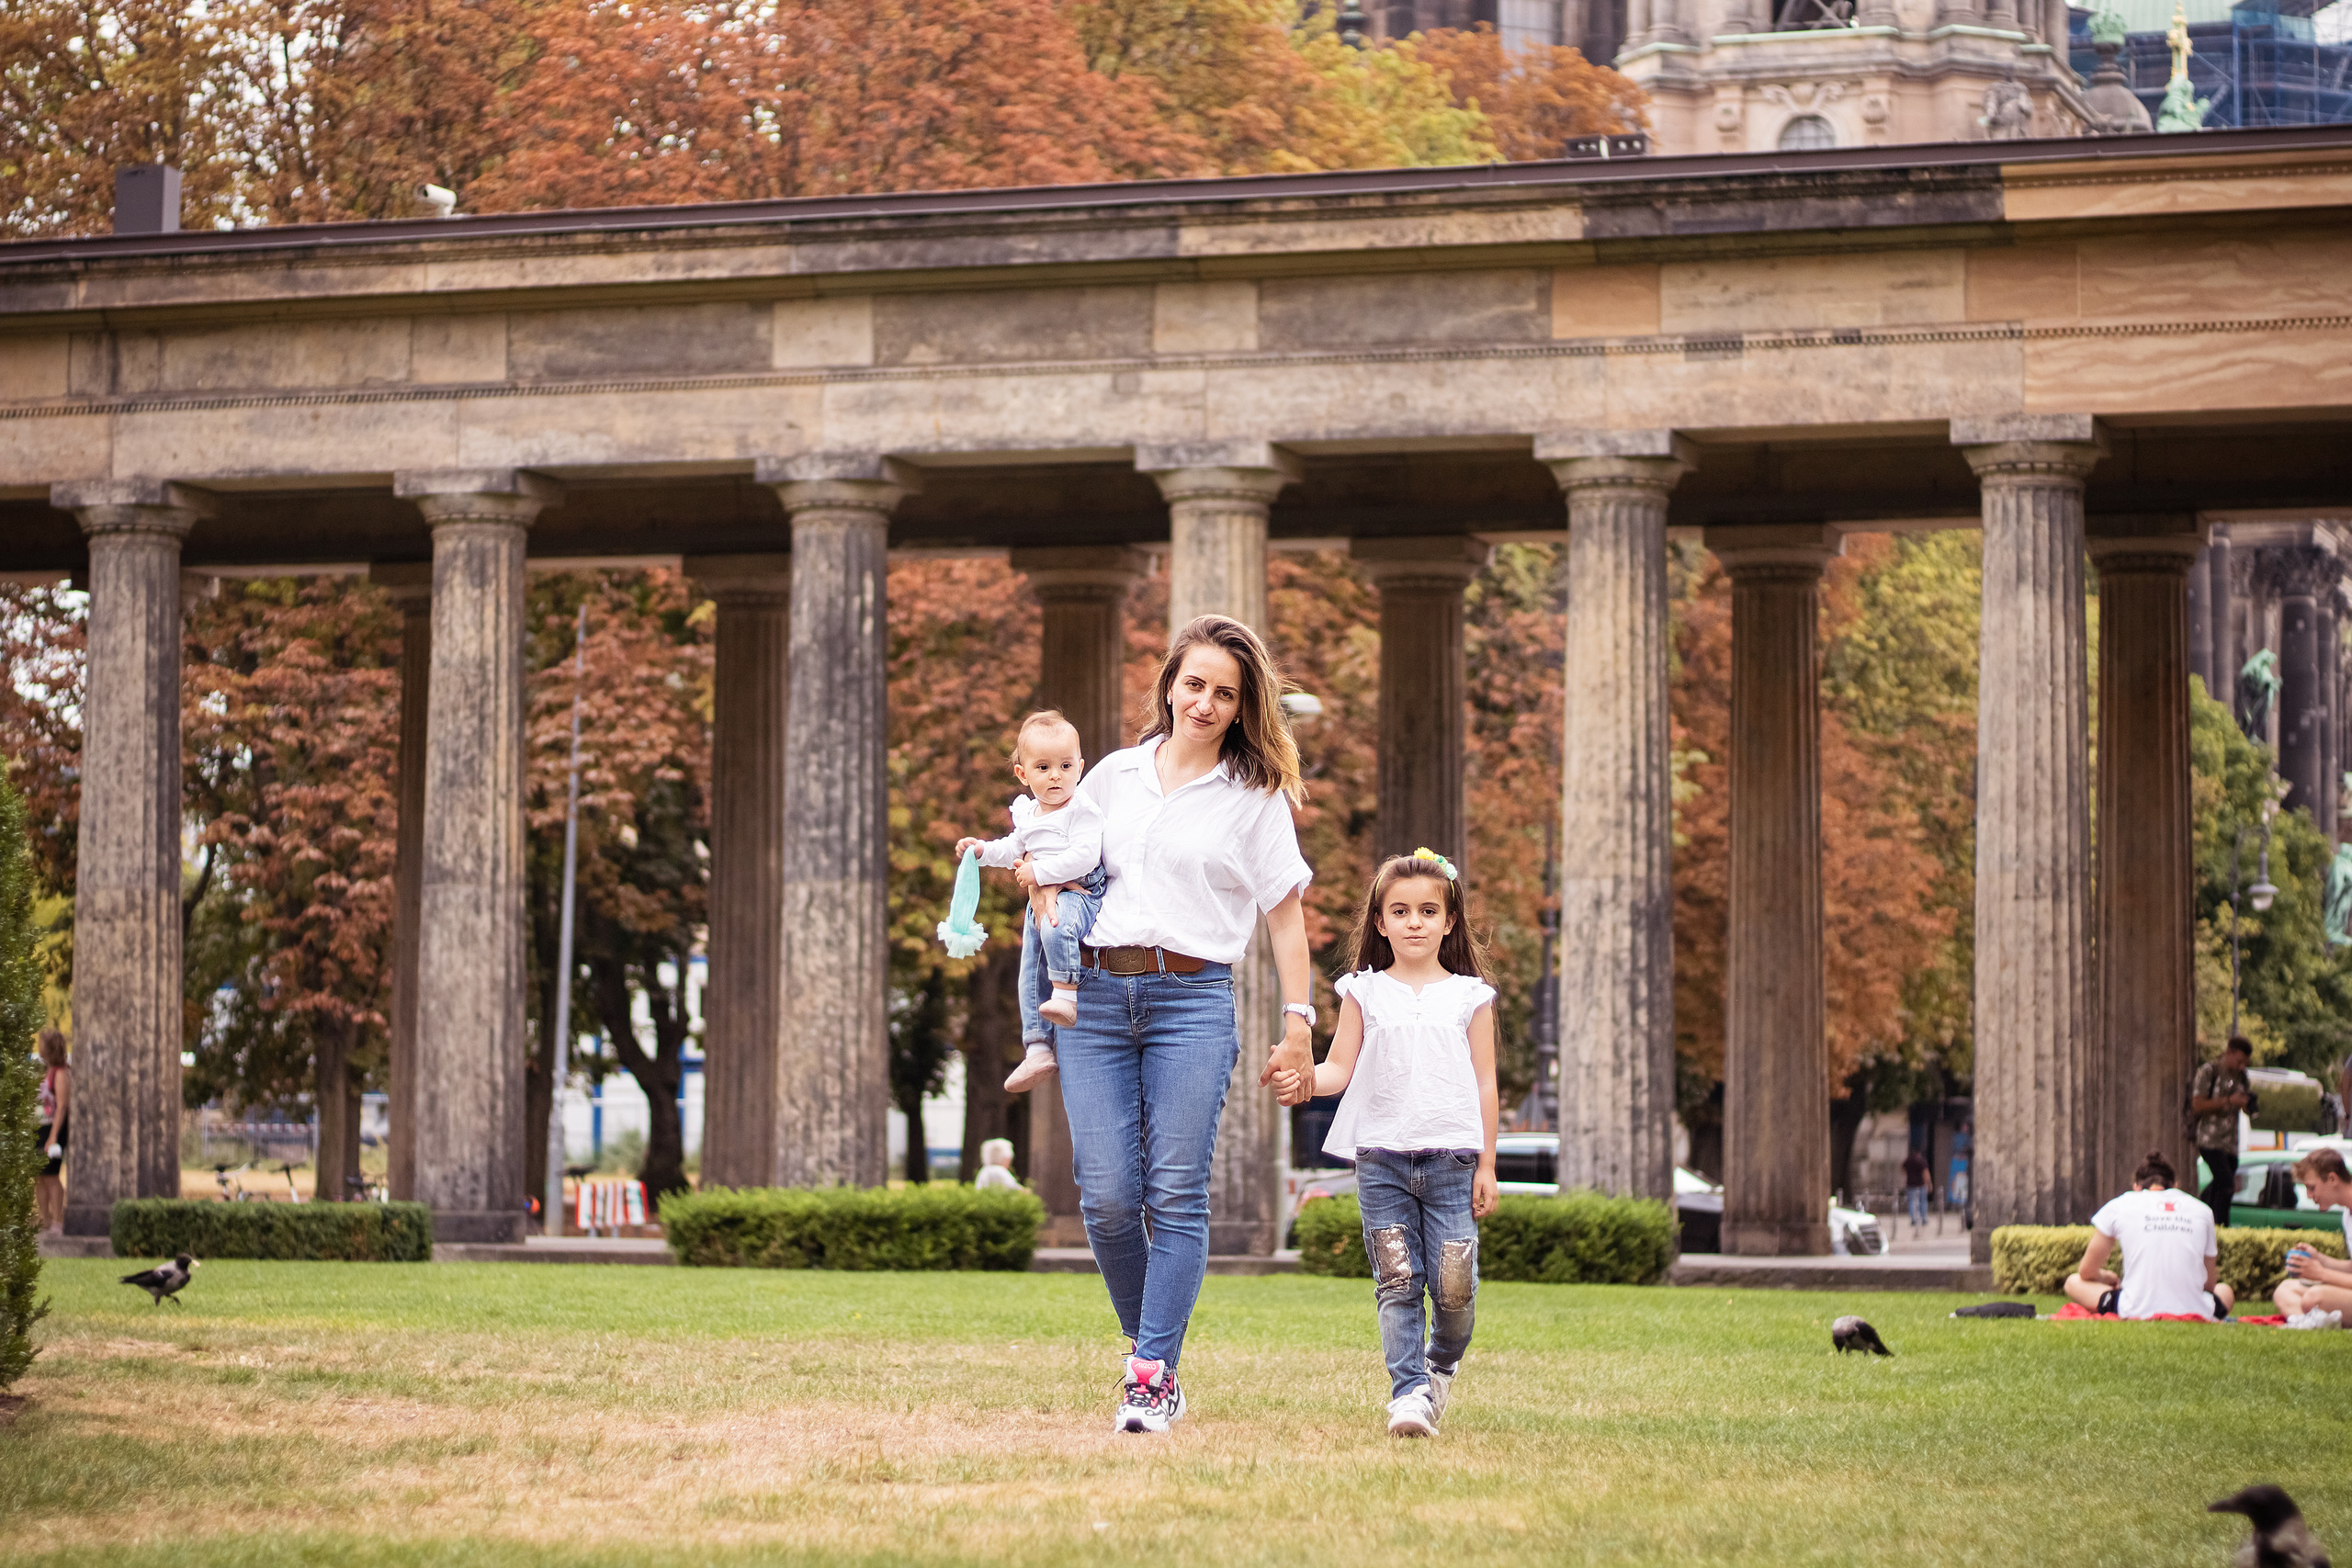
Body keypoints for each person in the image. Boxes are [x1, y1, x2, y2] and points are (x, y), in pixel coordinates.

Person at [1039, 614, 1315, 1436]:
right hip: (1092, 996)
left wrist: (1300, 1022)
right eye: (1193, 683)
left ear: (1241, 707)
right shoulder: (1113, 777)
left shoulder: (1256, 797)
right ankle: (1149, 1349)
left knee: (1174, 1188)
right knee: (1109, 1194)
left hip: (1191, 1002)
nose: (1205, 701)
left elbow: (1288, 920)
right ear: (1168, 684)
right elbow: (1062, 859)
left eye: (1224, 693)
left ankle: (1152, 1374)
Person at [1279, 849, 1498, 1438]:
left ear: (1450, 921)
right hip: (1381, 1157)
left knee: (1456, 1285)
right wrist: (1303, 1080)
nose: (1415, 922)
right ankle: (1407, 1395)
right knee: (1398, 1280)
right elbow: (1338, 1070)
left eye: (1428, 911)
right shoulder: (1364, 991)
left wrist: (1488, 1164)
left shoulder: (1470, 997)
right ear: (1380, 922)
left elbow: (1484, 1081)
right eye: (1400, 911)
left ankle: (1440, 1363)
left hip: (1452, 1158)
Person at [955, 709, 1105, 1094]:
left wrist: (1041, 873)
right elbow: (1012, 849)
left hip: (1081, 892)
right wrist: (982, 851)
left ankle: (1067, 996)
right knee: (1029, 968)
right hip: (1040, 896)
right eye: (1043, 767)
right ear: (1024, 775)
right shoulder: (1028, 812)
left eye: (1065, 765)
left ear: (1080, 768)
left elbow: (1086, 856)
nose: (1056, 775)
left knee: (1057, 929)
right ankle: (1037, 1046)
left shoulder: (1081, 809)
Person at [2063, 1149, 2235, 1319]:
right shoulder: (2202, 1210)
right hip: (2197, 1309)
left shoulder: (2121, 1204)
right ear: (2175, 1185)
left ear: (2137, 1187)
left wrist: (2107, 1277)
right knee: (2224, 1290)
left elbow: (2086, 1271)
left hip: (2134, 1308)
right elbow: (2210, 1284)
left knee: (2073, 1282)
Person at [2268, 1147, 2352, 1318]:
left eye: (2311, 1188)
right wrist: (2319, 1259)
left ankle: (2310, 1320)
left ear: (2332, 1179)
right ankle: (2307, 1323)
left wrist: (2321, 1274)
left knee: (2313, 1298)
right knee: (2284, 1290)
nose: (2308, 1195)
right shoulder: (2347, 1214)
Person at [2190, 1037, 2256, 1230]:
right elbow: (2197, 1104)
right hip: (2210, 1140)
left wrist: (2246, 1104)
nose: (2242, 1066)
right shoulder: (2210, 1072)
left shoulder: (2242, 1077)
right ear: (2229, 1052)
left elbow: (2245, 1108)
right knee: (2226, 1185)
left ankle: (2199, 1213)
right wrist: (2228, 1100)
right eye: (2239, 1061)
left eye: (2246, 1063)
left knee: (2222, 1185)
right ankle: (2220, 1227)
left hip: (2231, 1144)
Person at [35, 1027, 70, 1235]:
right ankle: (44, 1219)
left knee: (51, 1176)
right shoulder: (46, 1071)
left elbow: (62, 1106)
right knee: (38, 1175)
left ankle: (58, 1220)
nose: (38, 1046)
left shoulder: (61, 1073)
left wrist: (54, 1136)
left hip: (53, 1129)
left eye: (41, 1042)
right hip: (40, 1127)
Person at [1902, 1145, 1931, 1235]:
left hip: (1911, 1184)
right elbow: (1925, 1172)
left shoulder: (1908, 1160)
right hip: (1921, 1184)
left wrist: (1909, 1175)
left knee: (1912, 1202)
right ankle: (1923, 1218)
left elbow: (1903, 1168)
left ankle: (1913, 1219)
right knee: (1923, 1202)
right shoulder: (1922, 1161)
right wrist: (1929, 1183)